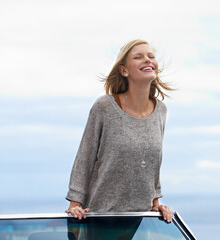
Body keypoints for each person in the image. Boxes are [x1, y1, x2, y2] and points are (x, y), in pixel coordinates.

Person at [65, 39, 174, 223]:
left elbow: (153, 163)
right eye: (138, 57)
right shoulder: (105, 106)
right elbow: (85, 156)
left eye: (151, 56)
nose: (147, 60)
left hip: (140, 220)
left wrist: (156, 203)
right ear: (124, 70)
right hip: (100, 218)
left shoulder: (160, 111)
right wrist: (74, 204)